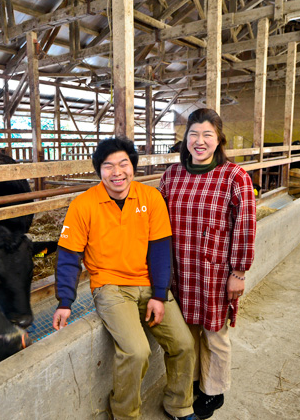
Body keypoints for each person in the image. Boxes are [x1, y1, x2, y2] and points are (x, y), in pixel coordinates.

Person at [52, 137, 198, 420]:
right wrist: (65, 301)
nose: (117, 172)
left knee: (184, 344)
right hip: (111, 287)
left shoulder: (151, 198)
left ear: (133, 166)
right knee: (136, 351)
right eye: (108, 166)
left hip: (149, 284)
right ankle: (125, 414)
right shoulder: (83, 205)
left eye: (123, 164)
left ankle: (179, 404)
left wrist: (159, 294)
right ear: (99, 170)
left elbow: (160, 250)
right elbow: (69, 256)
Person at [159, 108, 256, 419]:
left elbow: (245, 226)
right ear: (185, 138)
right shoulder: (172, 175)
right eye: (193, 134)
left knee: (214, 333)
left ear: (219, 139)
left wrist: (238, 272)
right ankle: (192, 383)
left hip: (214, 270)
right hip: (180, 268)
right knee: (187, 332)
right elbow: (156, 220)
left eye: (207, 135)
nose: (199, 141)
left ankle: (213, 390)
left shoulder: (235, 177)